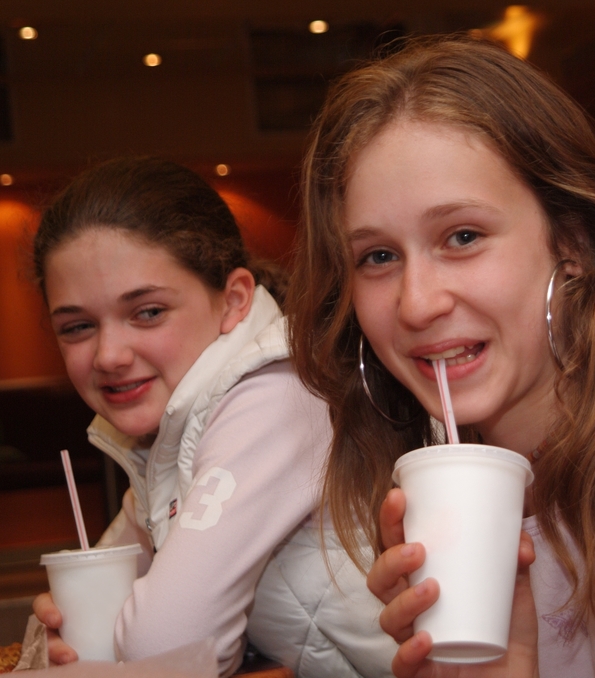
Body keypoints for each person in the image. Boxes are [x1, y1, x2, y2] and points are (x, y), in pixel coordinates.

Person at [286, 36, 595, 677]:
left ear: (571, 242)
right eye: (377, 256)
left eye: (462, 237)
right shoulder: (426, 504)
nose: (416, 304)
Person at [30, 157, 396, 677]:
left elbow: (169, 649)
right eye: (77, 327)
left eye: (148, 312)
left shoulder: (275, 393)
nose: (109, 354)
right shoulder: (169, 432)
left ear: (234, 300)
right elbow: (109, 594)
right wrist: (68, 627)